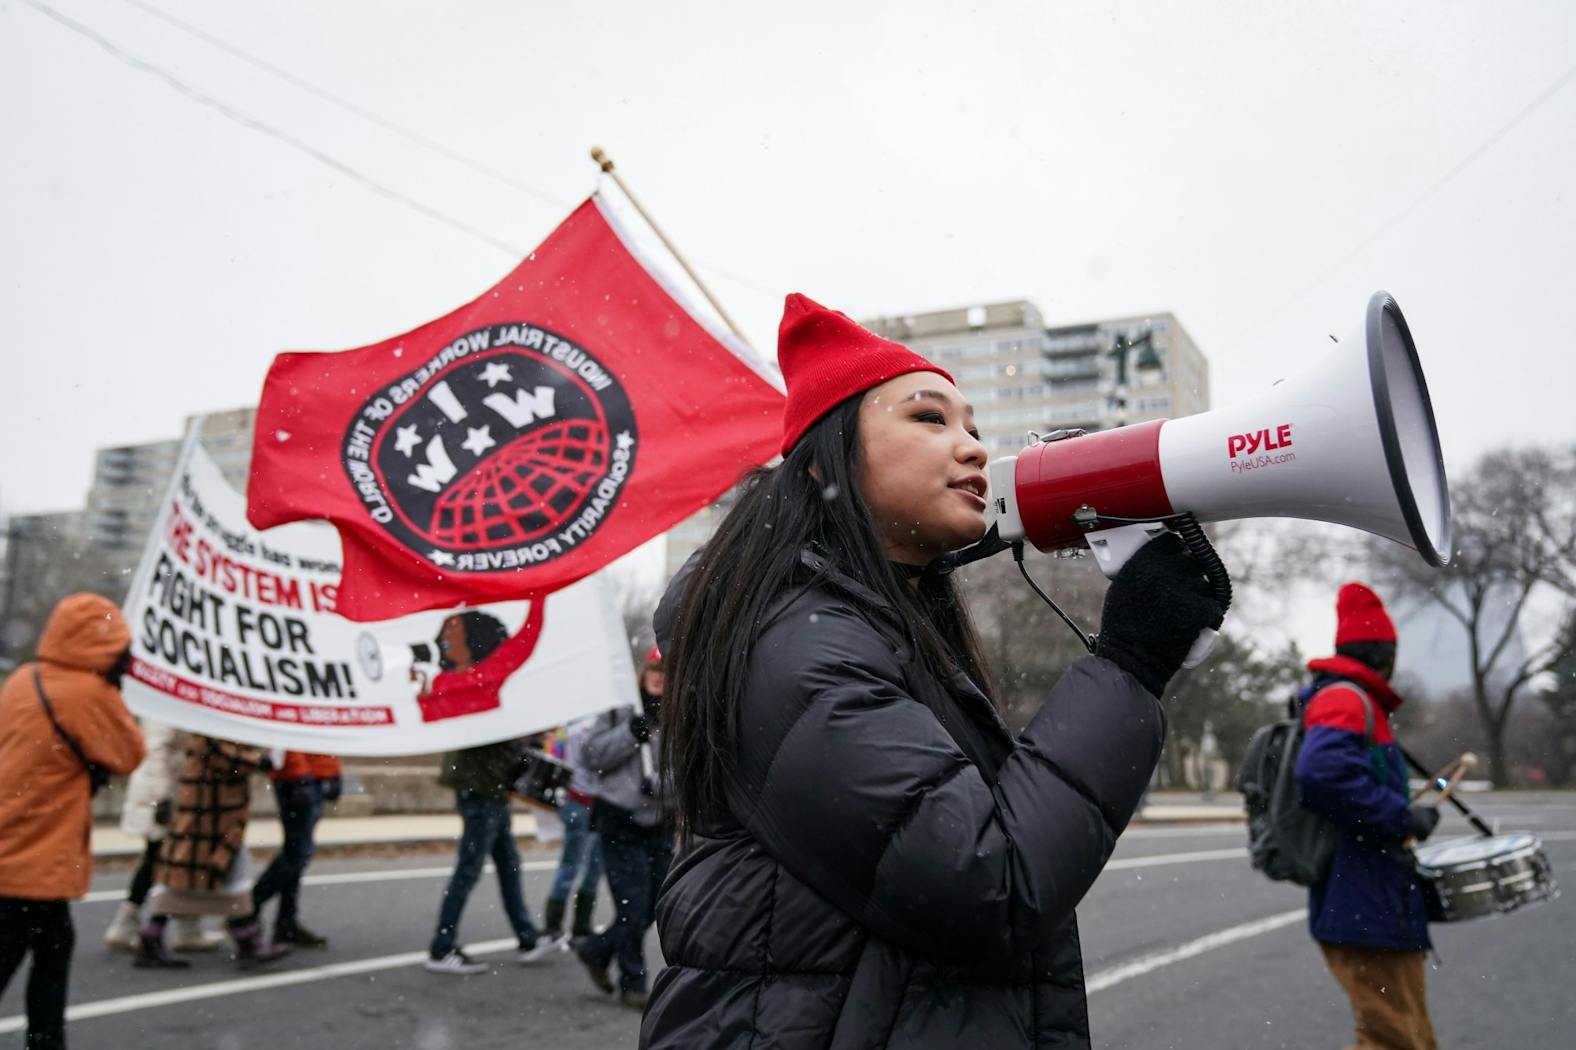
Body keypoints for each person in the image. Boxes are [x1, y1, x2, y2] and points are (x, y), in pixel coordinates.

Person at [641, 294, 1226, 1048]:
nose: (975, 447)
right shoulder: (790, 644)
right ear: (827, 457)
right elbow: (990, 883)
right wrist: (1131, 665)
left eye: (975, 428)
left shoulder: (855, 629)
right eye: (929, 418)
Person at [1296, 582, 1440, 1050]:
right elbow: (1322, 775)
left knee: (1405, 1035)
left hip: (1371, 902)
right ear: (1387, 655)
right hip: (1364, 904)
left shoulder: (1355, 701)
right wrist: (1404, 819)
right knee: (1394, 1038)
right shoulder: (1345, 699)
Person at [0, 593, 146, 1050]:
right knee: (28, 954)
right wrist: (114, 690)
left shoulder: (26, 678)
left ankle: (47, 1040)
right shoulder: (87, 693)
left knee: (54, 947)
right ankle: (46, 1040)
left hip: (12, 836)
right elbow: (129, 754)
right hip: (32, 854)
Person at [421, 608, 554, 974]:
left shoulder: (472, 679)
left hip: (486, 789)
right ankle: (441, 946)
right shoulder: (475, 682)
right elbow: (489, 742)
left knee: (508, 866)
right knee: (469, 869)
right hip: (481, 789)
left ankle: (527, 936)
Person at [133, 736, 291, 969]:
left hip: (212, 815)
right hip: (208, 818)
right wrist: (259, 760)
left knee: (189, 879)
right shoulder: (207, 732)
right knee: (223, 875)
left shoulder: (211, 728)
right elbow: (223, 758)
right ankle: (247, 941)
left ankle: (151, 938)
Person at [571, 648, 673, 1009]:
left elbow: (689, 770)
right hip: (619, 820)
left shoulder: (681, 716)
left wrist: (661, 785)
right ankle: (634, 980)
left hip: (660, 822)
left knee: (655, 907)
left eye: (666, 670)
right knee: (632, 905)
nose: (659, 676)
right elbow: (592, 755)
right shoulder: (619, 708)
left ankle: (596, 949)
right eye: (654, 669)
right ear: (644, 672)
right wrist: (630, 734)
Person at [103, 720, 227, 953]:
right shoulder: (164, 711)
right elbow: (156, 750)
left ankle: (137, 924)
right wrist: (163, 798)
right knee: (168, 861)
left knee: (162, 860)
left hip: (169, 793)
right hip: (164, 796)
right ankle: (166, 927)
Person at [236, 751, 343, 949]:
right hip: (298, 777)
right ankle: (246, 911)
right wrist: (299, 773)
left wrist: (332, 770)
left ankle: (285, 922)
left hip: (312, 775)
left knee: (297, 852)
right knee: (298, 853)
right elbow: (291, 731)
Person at [413, 603, 543, 723]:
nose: (445, 636)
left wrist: (537, 601)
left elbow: (527, 637)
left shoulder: (491, 669)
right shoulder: (440, 680)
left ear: (473, 632)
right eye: (444, 629)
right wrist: (423, 699)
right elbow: (432, 721)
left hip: (492, 737)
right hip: (454, 743)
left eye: (452, 627)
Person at [541, 716, 606, 945]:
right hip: (585, 800)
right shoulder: (591, 723)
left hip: (580, 800)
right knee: (582, 866)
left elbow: (555, 754)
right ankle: (573, 927)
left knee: (581, 866)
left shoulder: (569, 722)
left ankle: (564, 927)